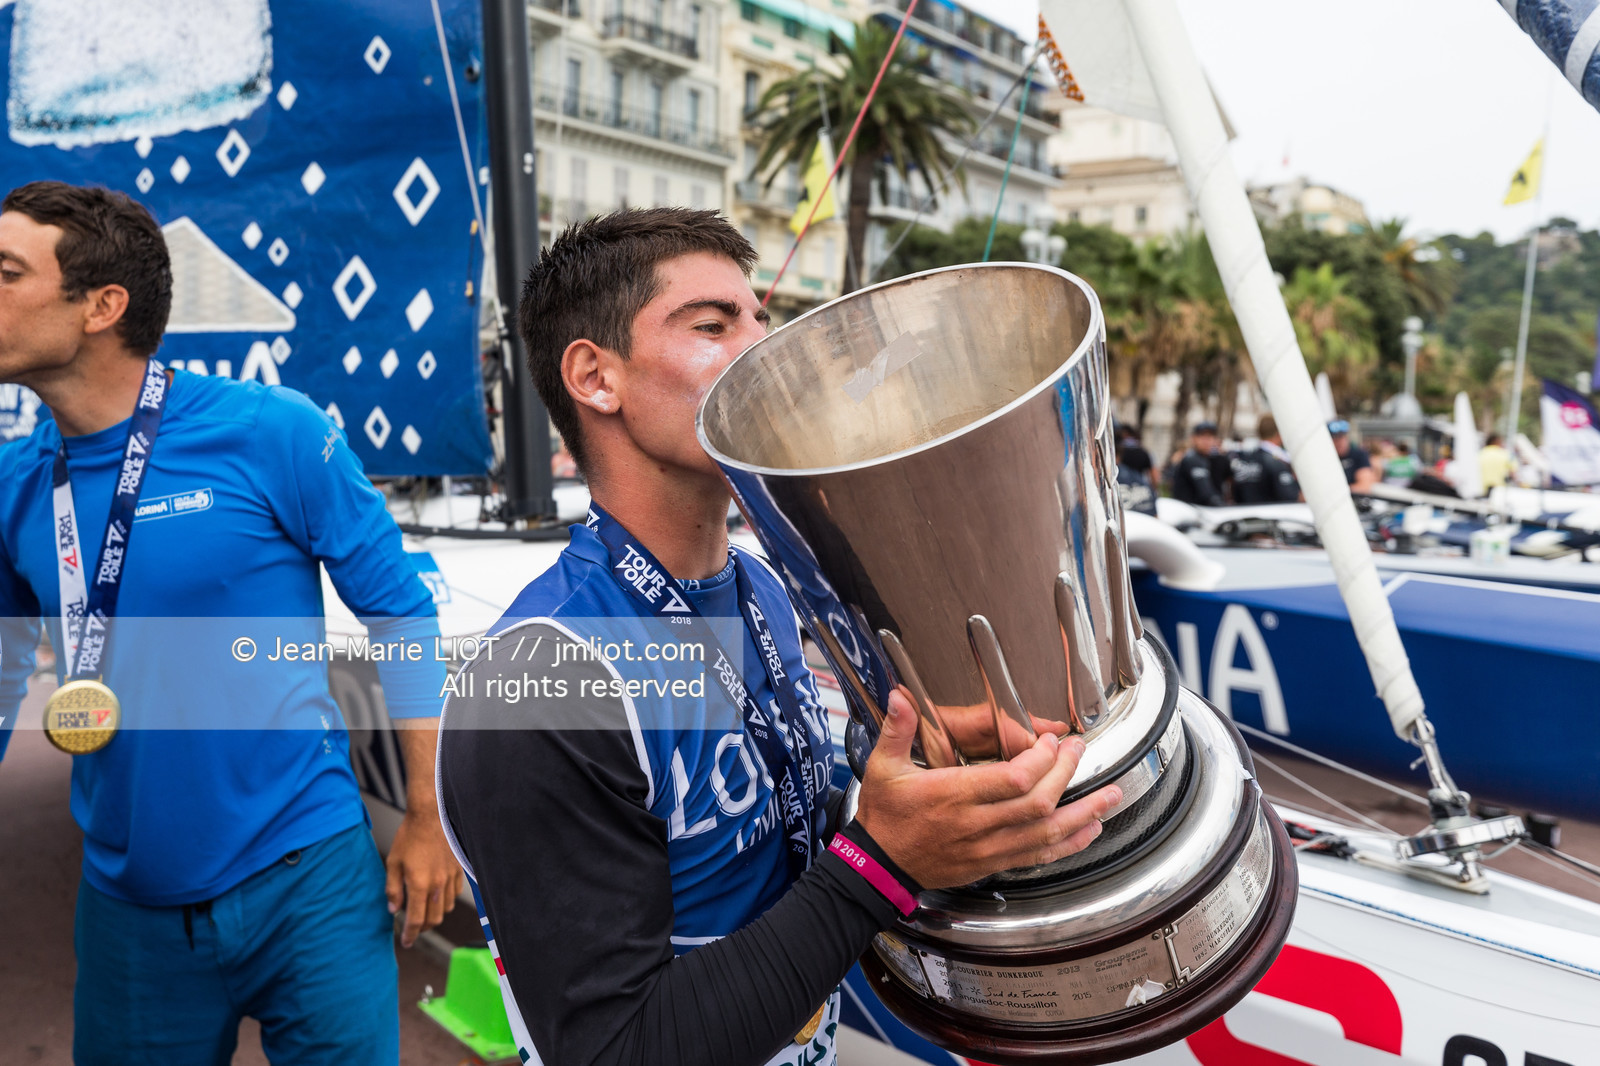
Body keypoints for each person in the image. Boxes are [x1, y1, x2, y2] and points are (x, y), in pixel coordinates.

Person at [435, 209, 1124, 1066]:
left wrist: (901, 785)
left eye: (762, 322)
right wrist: (882, 862)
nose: (762, 353)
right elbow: (611, 1050)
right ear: (595, 377)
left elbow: (772, 841)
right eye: (713, 326)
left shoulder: (760, 587)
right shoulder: (539, 680)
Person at [0, 181, 461, 1063]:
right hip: (128, 907)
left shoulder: (272, 431)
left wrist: (427, 818)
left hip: (309, 879)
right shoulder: (17, 484)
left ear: (102, 305)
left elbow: (400, 611)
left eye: (7, 271)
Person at [1230, 414, 1299, 504]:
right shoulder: (1278, 462)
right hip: (1276, 515)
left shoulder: (1245, 458)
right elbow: (1291, 496)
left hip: (1245, 514)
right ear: (1279, 433)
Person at [1168, 420, 1228, 506]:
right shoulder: (1192, 459)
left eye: (1210, 437)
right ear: (1194, 438)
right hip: (1188, 511)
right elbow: (1206, 493)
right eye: (1202, 436)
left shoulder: (1212, 459)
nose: (1206, 441)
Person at [1328, 419, 1377, 492]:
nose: (1338, 442)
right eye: (1334, 438)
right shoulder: (1324, 458)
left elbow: (1364, 486)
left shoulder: (1359, 454)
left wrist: (1335, 492)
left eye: (1341, 437)